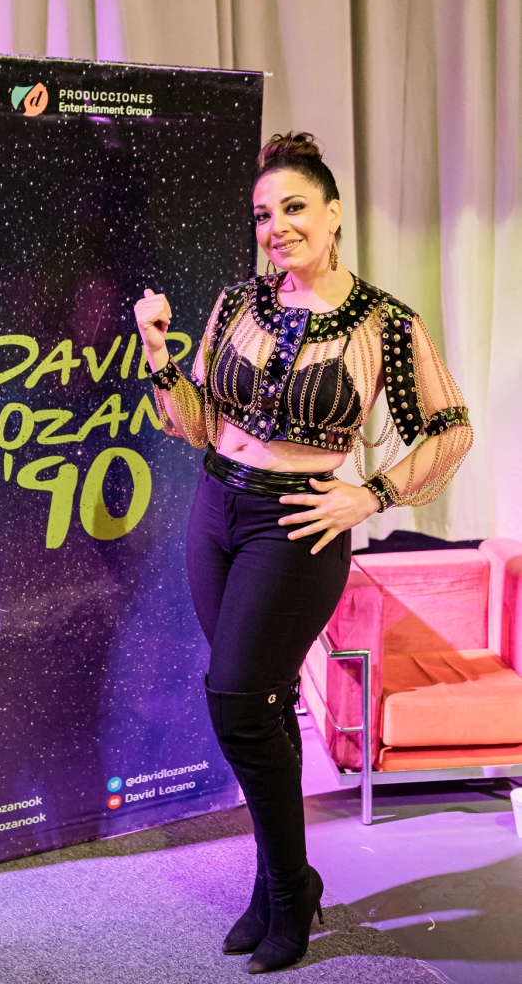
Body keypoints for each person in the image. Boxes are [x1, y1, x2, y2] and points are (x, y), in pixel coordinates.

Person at [134, 132, 472, 974]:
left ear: (332, 214)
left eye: (292, 208)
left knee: (236, 704)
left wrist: (373, 493)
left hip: (296, 527)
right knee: (263, 704)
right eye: (262, 214)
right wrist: (157, 350)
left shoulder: (385, 322)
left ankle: (288, 891)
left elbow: (448, 428)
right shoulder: (236, 303)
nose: (275, 227)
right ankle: (278, 885)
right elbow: (198, 424)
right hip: (215, 511)